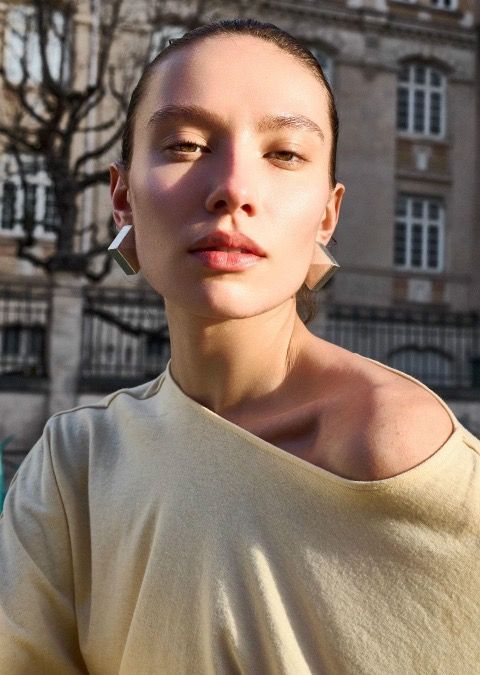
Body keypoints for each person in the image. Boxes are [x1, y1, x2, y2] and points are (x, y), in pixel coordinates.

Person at [1, 18, 479, 675]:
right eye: (186, 145)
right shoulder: (74, 463)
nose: (233, 189)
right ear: (123, 197)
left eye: (284, 154)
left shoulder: (403, 452)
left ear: (328, 214)